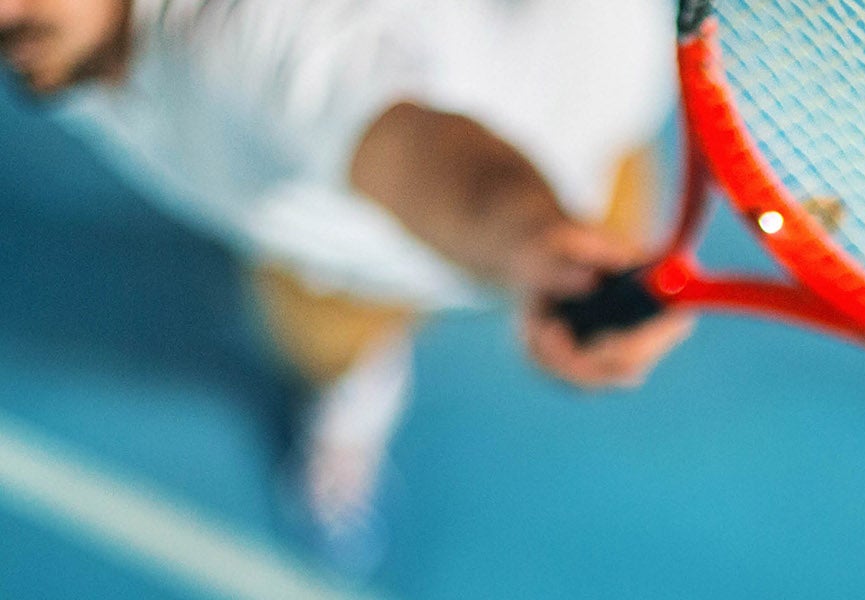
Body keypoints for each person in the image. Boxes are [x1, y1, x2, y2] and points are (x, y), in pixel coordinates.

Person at [0, 0, 693, 571]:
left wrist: (536, 237)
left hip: (576, 151)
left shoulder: (252, 36)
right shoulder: (58, 30)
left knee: (609, 209)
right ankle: (356, 395)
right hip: (333, 238)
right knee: (326, 347)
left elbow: (424, 157)